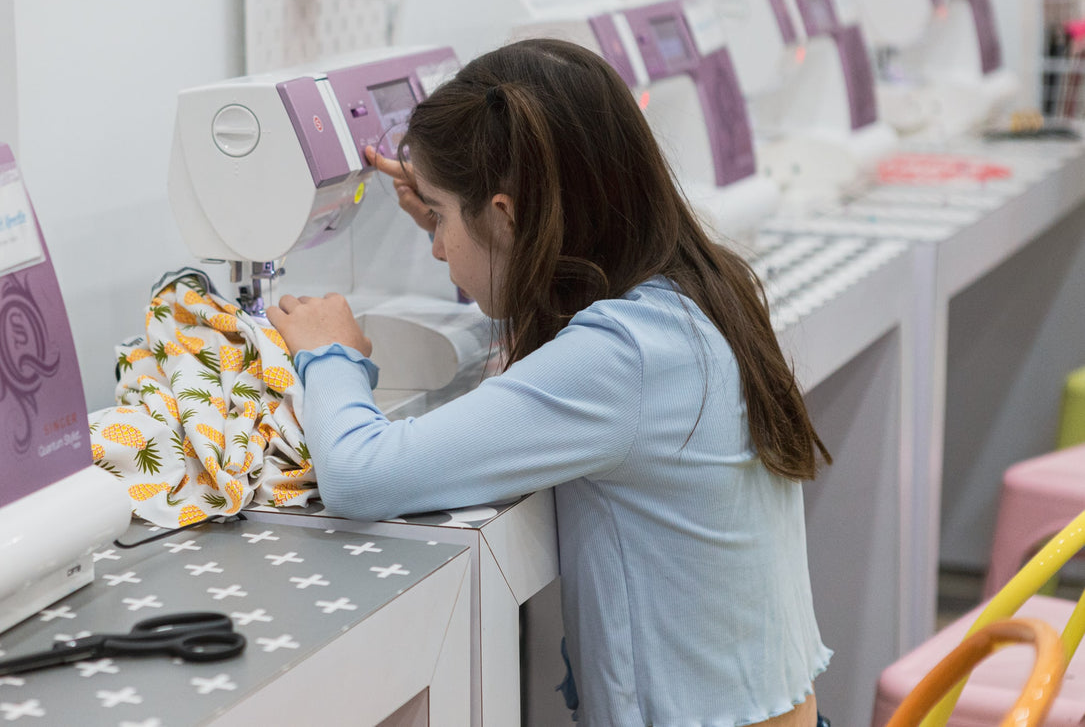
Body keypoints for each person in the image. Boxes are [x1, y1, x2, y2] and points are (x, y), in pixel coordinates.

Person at [266, 38, 831, 727]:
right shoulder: (698, 291)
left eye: (440, 220)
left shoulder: (623, 357)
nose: (437, 246)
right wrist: (463, 219)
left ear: (506, 216)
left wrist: (328, 353)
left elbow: (360, 472)